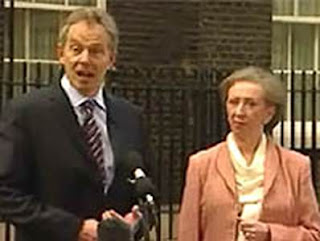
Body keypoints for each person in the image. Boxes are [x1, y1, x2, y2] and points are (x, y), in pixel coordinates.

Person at [0, 7, 152, 241]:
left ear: (111, 59)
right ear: (61, 54)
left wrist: (136, 222)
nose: (84, 59)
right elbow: (6, 194)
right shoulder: (26, 113)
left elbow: (146, 190)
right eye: (76, 49)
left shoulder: (131, 117)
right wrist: (75, 228)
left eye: (95, 51)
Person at [178, 66, 320, 241]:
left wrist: (271, 234)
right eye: (233, 102)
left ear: (269, 114)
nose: (239, 112)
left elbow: (314, 235)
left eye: (250, 104)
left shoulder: (296, 166)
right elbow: (188, 234)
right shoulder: (201, 164)